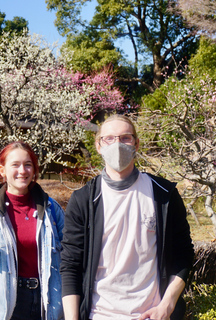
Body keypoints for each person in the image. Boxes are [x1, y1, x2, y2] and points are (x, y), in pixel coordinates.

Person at [60, 114, 194, 320]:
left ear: (136, 143)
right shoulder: (84, 200)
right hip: (100, 314)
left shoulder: (163, 195)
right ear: (98, 145)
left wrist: (166, 306)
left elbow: (183, 254)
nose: (117, 144)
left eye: (125, 138)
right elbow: (71, 264)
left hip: (151, 314)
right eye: (109, 138)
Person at [0, 141, 65, 320]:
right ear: (2, 170)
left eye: (28, 165)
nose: (22, 171)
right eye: (15, 165)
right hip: (8, 304)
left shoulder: (51, 210)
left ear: (34, 170)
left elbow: (68, 257)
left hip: (48, 299)